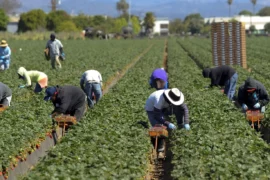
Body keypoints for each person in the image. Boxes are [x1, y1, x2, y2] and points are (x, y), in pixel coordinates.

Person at [145, 88, 190, 157]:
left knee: (178, 109)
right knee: (158, 127)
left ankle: (180, 126)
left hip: (164, 108)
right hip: (152, 110)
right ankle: (159, 150)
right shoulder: (159, 100)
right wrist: (168, 123)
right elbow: (157, 115)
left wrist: (186, 122)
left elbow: (185, 109)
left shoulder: (175, 95)